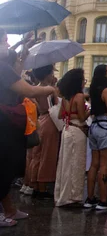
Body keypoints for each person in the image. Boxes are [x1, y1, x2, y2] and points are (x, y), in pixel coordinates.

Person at [0, 28, 56, 226]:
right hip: (5, 125)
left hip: (7, 124)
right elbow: (28, 89)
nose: (7, 44)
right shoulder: (2, 67)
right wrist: (51, 89)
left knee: (6, 170)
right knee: (4, 169)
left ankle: (8, 210)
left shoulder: (5, 68)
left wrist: (25, 47)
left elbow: (16, 73)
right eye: (5, 41)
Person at [86, 64, 107, 210]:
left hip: (94, 126)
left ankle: (90, 198)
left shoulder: (94, 90)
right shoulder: (106, 91)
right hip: (105, 127)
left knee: (94, 164)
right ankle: (103, 199)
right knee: (104, 164)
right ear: (103, 74)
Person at [55, 68, 90, 207]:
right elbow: (82, 117)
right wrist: (89, 111)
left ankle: (62, 195)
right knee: (76, 164)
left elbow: (60, 115)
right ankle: (73, 197)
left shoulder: (65, 98)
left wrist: (70, 115)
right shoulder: (79, 97)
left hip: (66, 130)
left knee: (65, 163)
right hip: (77, 132)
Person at [27, 65, 60, 199]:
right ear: (47, 74)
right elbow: (57, 104)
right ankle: (42, 187)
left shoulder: (35, 89)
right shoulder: (49, 89)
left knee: (37, 156)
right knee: (47, 156)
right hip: (50, 120)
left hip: (40, 120)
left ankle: (34, 184)